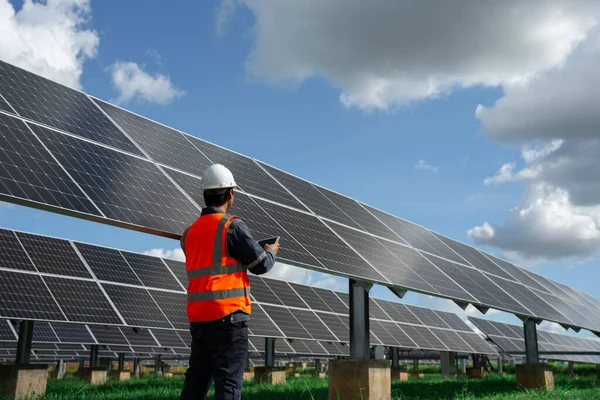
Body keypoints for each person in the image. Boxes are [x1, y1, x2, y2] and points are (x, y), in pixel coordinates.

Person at [179, 164, 279, 400]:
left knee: (195, 384)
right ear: (230, 194)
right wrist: (272, 250)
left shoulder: (188, 234)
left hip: (199, 320)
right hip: (229, 319)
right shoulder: (232, 227)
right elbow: (261, 264)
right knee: (228, 386)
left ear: (205, 194)